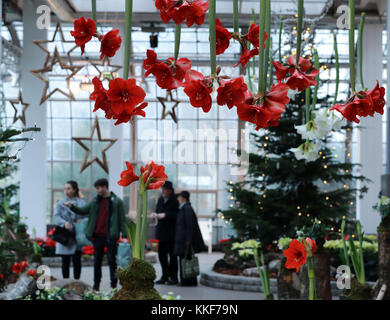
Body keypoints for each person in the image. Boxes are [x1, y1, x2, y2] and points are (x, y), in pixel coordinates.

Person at [65, 178, 127, 291]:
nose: (97, 190)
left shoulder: (117, 201)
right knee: (97, 261)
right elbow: (83, 210)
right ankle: (96, 284)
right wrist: (72, 207)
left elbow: (122, 220)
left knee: (112, 261)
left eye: (99, 188)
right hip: (97, 236)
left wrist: (125, 236)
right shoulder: (95, 201)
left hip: (111, 237)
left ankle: (113, 285)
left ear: (105, 187)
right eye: (96, 188)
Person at [53, 180, 86, 280]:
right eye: (65, 188)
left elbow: (87, 215)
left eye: (69, 188)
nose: (66, 191)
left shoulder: (82, 203)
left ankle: (77, 283)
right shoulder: (60, 203)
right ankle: (66, 283)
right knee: (65, 261)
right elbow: (56, 217)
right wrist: (64, 223)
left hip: (77, 234)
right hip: (65, 235)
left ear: (75, 189)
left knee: (77, 261)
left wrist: (82, 221)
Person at [173, 191, 206, 287]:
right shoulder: (184, 208)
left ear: (183, 198)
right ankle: (189, 281)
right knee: (185, 260)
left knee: (185, 261)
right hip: (183, 240)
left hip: (185, 241)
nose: (178, 199)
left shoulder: (186, 208)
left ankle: (186, 281)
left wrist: (188, 240)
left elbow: (189, 226)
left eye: (179, 197)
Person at [152, 181, 179, 285]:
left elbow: (177, 214)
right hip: (161, 233)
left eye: (166, 190)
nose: (164, 192)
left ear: (170, 191)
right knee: (162, 256)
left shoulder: (174, 201)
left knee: (172, 256)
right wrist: (156, 215)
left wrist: (166, 215)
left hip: (171, 234)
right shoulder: (160, 199)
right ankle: (165, 276)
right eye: (163, 189)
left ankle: (173, 277)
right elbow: (158, 211)